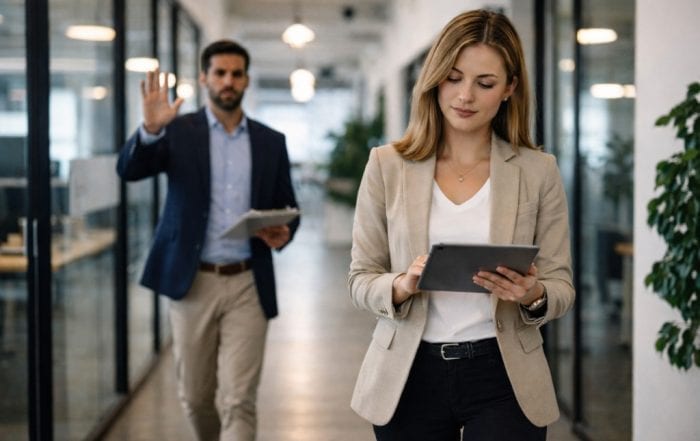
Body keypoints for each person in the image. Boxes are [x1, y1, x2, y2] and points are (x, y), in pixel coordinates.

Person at [348, 9, 574, 441]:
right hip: (408, 374)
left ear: (510, 88)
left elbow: (561, 286)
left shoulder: (538, 170)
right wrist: (400, 285)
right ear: (434, 79)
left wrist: (533, 294)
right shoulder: (387, 165)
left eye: (485, 83)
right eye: (453, 77)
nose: (465, 95)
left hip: (505, 374)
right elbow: (360, 278)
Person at [117, 40, 299, 441]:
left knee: (238, 400)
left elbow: (289, 205)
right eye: (220, 73)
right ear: (204, 79)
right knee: (196, 397)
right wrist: (150, 129)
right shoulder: (178, 130)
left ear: (247, 80)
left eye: (236, 74)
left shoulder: (271, 141)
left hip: (248, 282)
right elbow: (130, 171)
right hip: (192, 281)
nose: (228, 81)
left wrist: (284, 230)